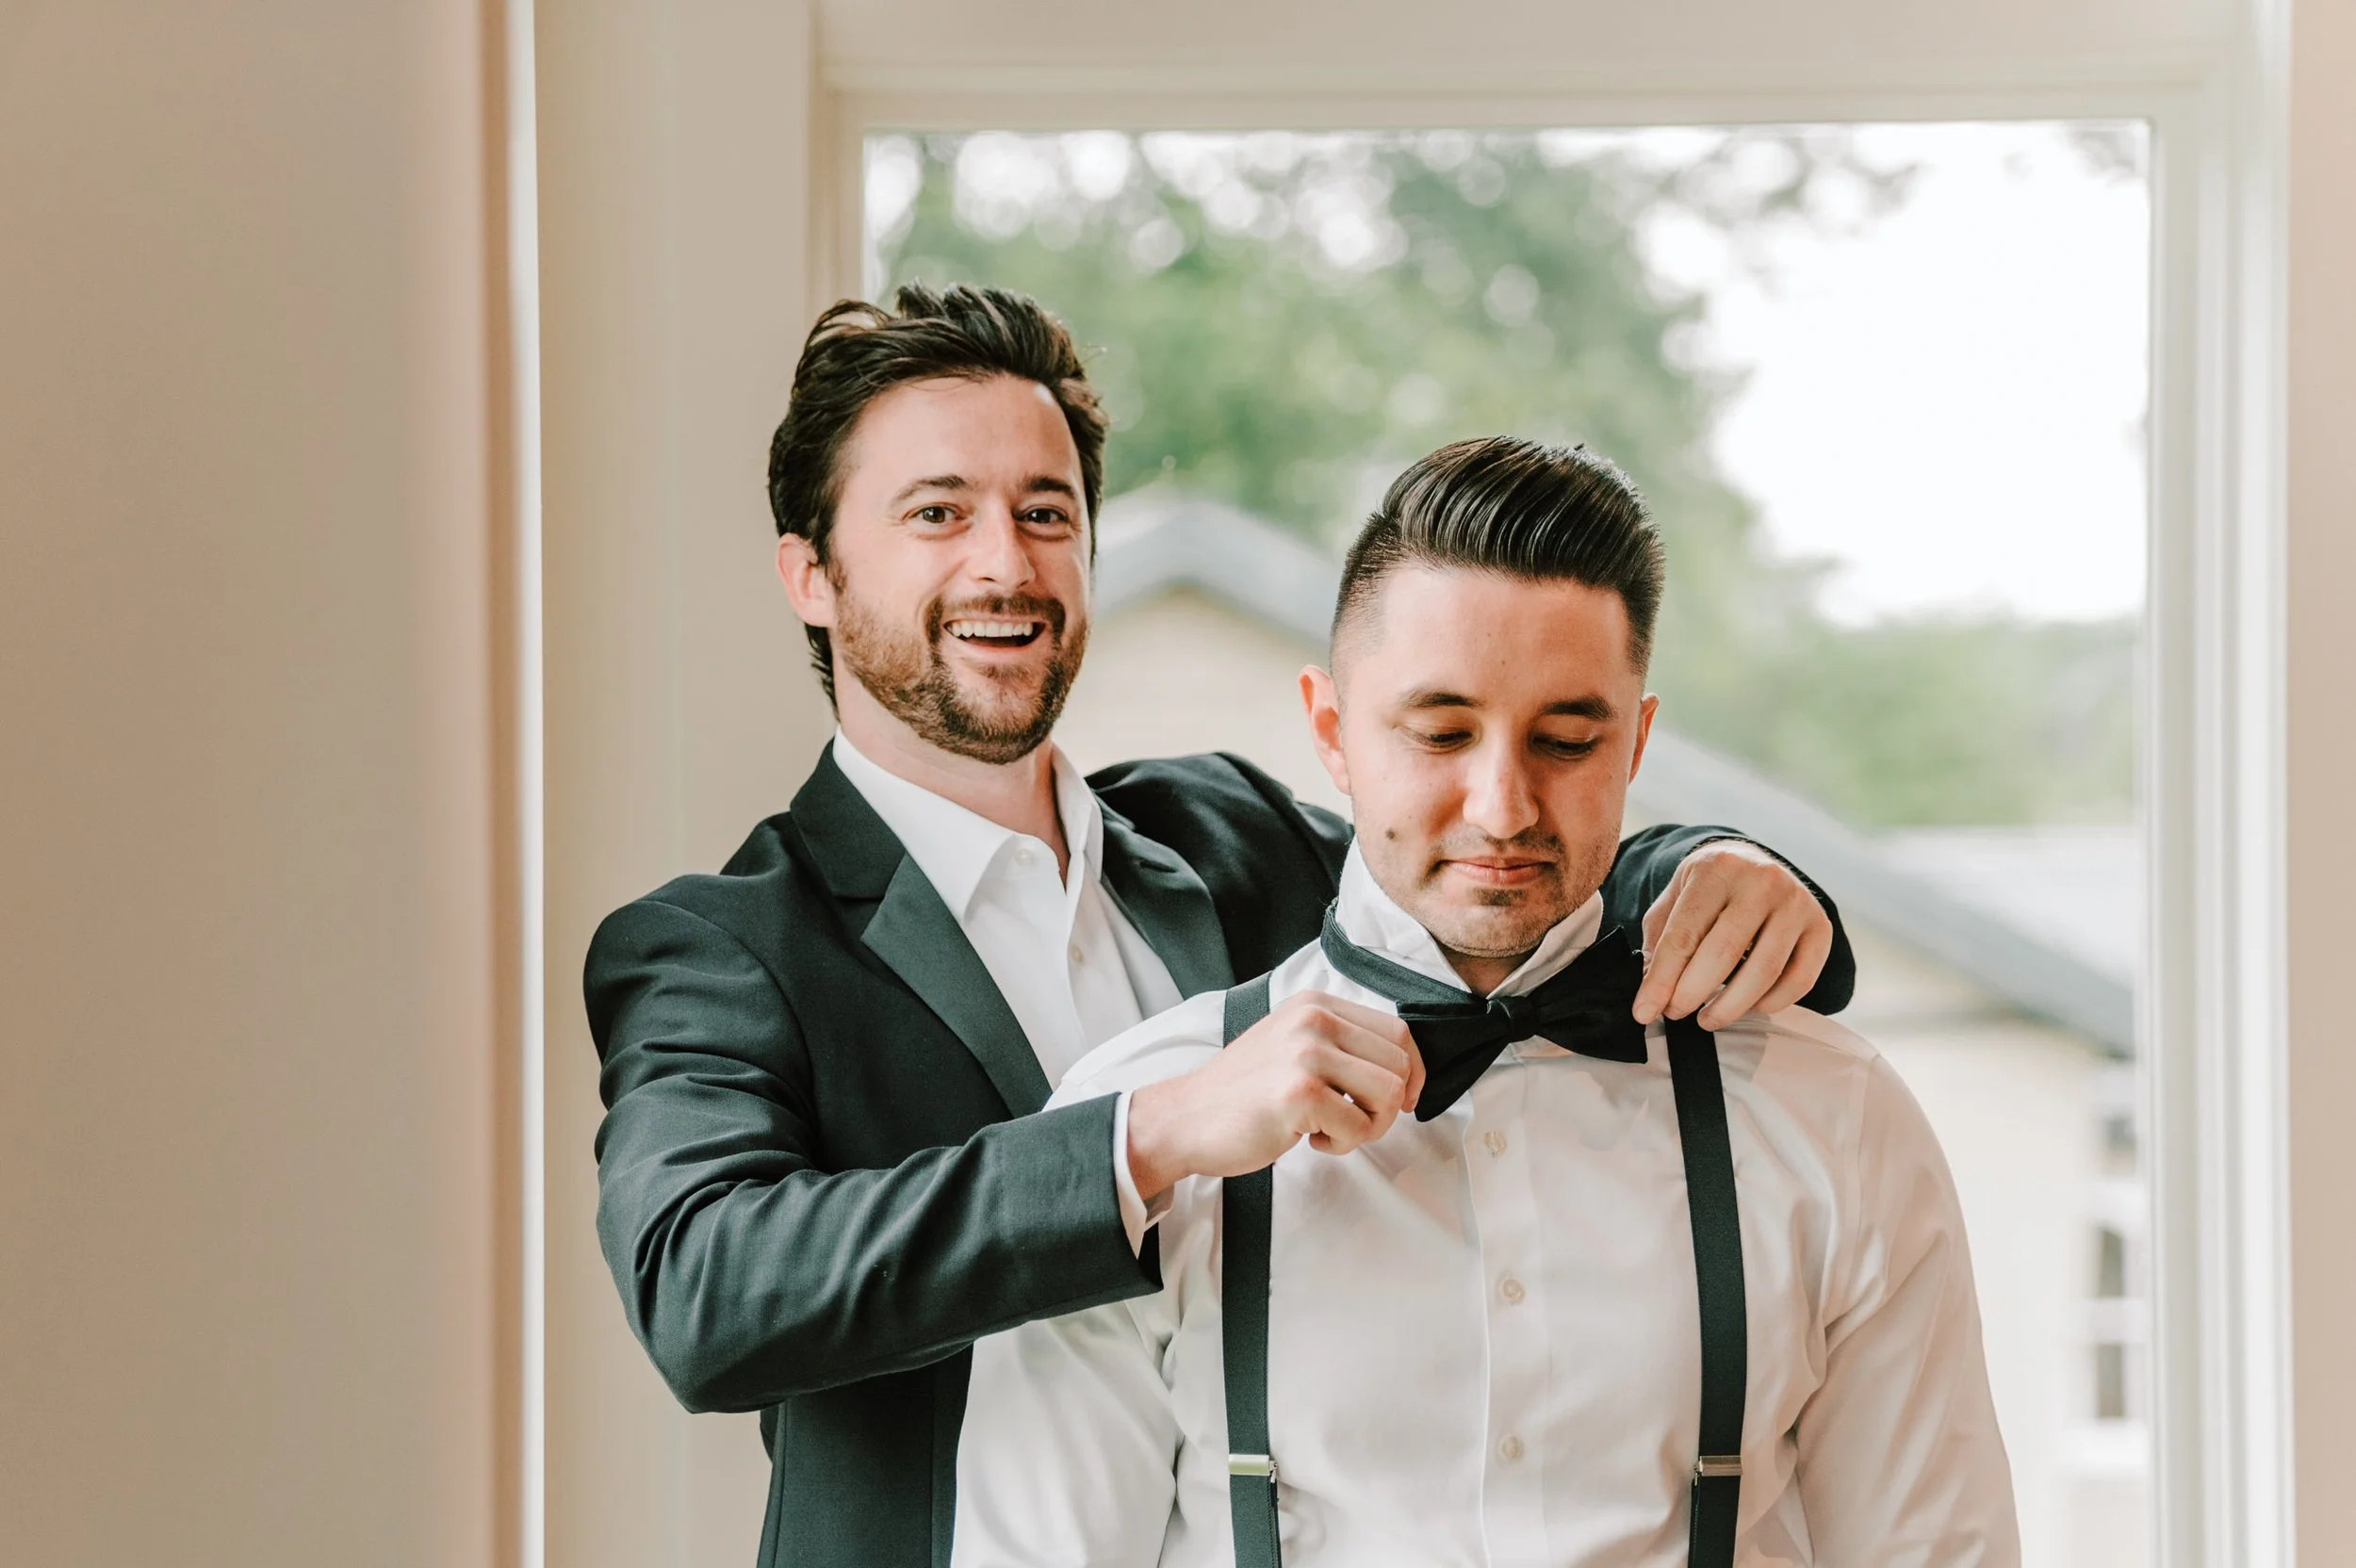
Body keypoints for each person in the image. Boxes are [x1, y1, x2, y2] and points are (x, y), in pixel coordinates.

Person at [585, 286, 1859, 1568]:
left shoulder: (1226, 828)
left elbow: (1476, 869)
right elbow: (709, 1291)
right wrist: (1154, 1136)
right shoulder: (721, 945)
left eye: (1046, 513)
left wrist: (1698, 863)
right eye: (937, 514)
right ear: (811, 574)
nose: (1005, 563)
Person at [952, 435, 2019, 1568]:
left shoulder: (1831, 1116)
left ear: (1636, 741)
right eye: (1441, 732)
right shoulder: (1143, 1122)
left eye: (1567, 738)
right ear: (1331, 731)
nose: (1503, 805)